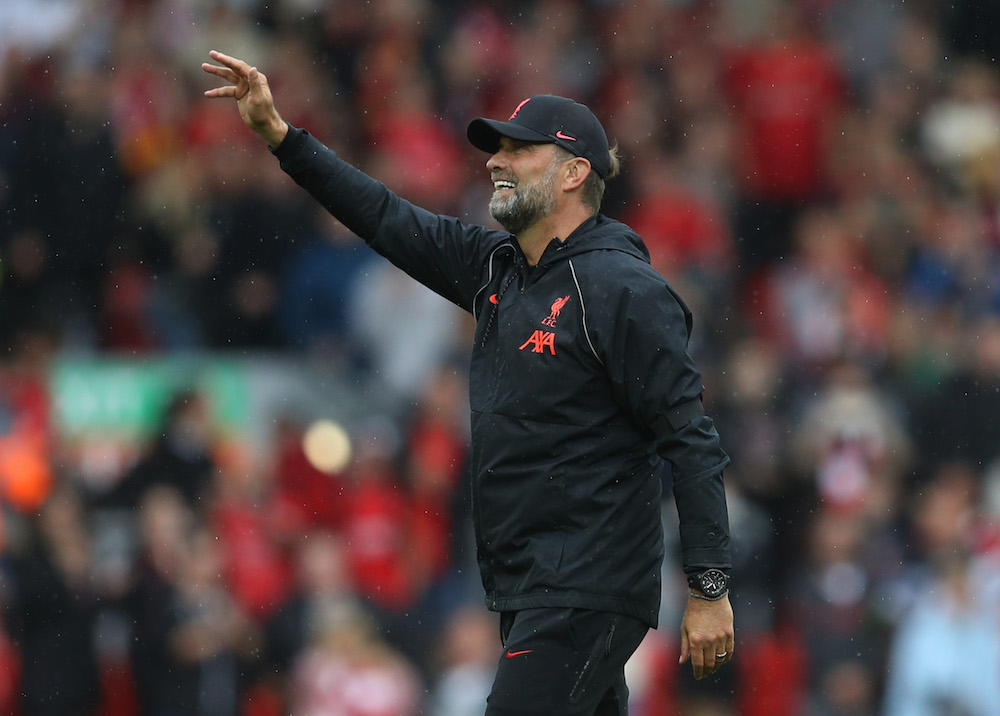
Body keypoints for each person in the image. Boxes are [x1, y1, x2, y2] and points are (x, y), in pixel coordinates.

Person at [202, 50, 735, 715]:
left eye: (519, 150)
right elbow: (385, 217)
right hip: (528, 586)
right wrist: (283, 138)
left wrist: (710, 586)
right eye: (496, 149)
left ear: (575, 174)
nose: (494, 161)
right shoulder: (497, 268)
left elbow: (691, 438)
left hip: (584, 588)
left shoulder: (624, 290)